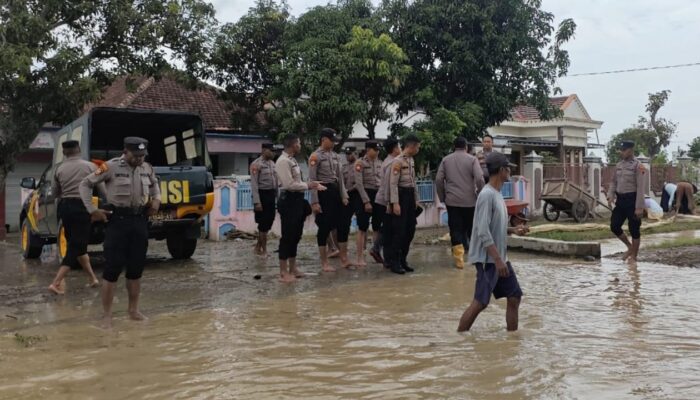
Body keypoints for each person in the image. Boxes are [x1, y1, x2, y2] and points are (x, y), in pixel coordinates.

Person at [79, 137, 161, 329]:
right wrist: (92, 209)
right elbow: (85, 184)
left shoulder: (147, 167)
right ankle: (107, 316)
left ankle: (133, 311)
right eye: (136, 155)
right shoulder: (110, 167)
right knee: (112, 269)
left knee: (136, 269)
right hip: (117, 221)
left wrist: (156, 200)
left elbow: (155, 185)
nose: (139, 159)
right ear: (126, 151)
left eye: (142, 156)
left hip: (139, 221)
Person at [457, 152, 528, 332]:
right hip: (488, 259)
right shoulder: (486, 195)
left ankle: (512, 338)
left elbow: (493, 227)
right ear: (502, 170)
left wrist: (513, 230)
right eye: (508, 169)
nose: (510, 172)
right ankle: (459, 338)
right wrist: (497, 260)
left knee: (514, 296)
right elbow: (482, 231)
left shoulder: (497, 194)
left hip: (499, 258)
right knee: (480, 302)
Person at [47, 140, 102, 295]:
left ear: (64, 153)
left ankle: (92, 279)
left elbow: (54, 193)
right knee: (76, 246)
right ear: (79, 150)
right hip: (83, 206)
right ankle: (56, 283)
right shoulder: (91, 166)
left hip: (65, 207)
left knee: (77, 245)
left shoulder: (58, 169)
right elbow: (101, 188)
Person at [275, 134, 326, 283]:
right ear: (293, 145)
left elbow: (298, 181)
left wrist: (312, 184)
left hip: (297, 200)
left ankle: (293, 268)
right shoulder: (283, 161)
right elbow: (289, 184)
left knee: (296, 236)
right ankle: (283, 272)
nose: (300, 145)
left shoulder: (292, 160)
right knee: (288, 236)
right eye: (298, 143)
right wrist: (309, 185)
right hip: (288, 200)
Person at [435, 136, 485, 269]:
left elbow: (439, 180)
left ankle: (459, 261)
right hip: (470, 202)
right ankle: (475, 258)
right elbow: (480, 179)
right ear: (466, 147)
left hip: (452, 202)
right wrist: (480, 195)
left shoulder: (446, 160)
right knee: (471, 230)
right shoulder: (472, 159)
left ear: (454, 147)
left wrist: (443, 197)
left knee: (455, 229)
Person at [309, 128, 351, 272]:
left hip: (335, 193)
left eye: (334, 141)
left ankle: (344, 258)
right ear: (323, 139)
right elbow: (312, 180)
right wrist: (315, 202)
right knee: (324, 227)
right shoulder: (315, 156)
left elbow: (339, 179)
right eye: (331, 140)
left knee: (343, 225)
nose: (333, 143)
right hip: (323, 192)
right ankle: (324, 262)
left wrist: (344, 195)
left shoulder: (336, 156)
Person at [387, 134, 422, 275]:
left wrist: (416, 200)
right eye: (418, 147)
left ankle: (403, 260)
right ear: (411, 146)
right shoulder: (397, 161)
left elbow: (413, 182)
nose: (418, 149)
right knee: (399, 232)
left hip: (409, 197)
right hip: (400, 197)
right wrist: (395, 203)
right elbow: (393, 184)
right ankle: (394, 262)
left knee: (410, 230)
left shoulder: (411, 160)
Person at [607, 140, 646, 263]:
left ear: (630, 150)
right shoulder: (619, 165)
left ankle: (634, 256)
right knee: (614, 225)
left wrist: (639, 207)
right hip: (621, 200)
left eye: (624, 150)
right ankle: (629, 247)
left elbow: (641, 187)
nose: (621, 152)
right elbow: (613, 182)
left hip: (632, 200)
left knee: (634, 229)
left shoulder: (638, 166)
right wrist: (610, 195)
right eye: (621, 150)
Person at [354, 140, 383, 267]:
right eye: (375, 149)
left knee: (377, 226)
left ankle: (376, 253)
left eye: (378, 150)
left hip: (378, 195)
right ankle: (360, 257)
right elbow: (359, 184)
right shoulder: (360, 163)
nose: (377, 152)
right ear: (368, 149)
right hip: (365, 195)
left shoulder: (380, 163)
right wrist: (366, 201)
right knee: (362, 228)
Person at [250, 143, 279, 257]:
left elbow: (276, 183)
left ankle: (258, 247)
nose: (273, 153)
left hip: (271, 195)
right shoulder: (256, 164)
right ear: (264, 150)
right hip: (262, 195)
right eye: (270, 151)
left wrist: (277, 197)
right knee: (263, 224)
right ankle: (264, 250)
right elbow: (254, 184)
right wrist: (257, 202)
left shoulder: (272, 164)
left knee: (268, 222)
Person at [339, 146, 362, 265]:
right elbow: (341, 182)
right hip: (347, 196)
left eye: (350, 154)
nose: (348, 156)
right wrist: (344, 194)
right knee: (344, 224)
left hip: (358, 195)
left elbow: (360, 182)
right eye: (346, 154)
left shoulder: (360, 165)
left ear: (356, 153)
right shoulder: (343, 167)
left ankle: (362, 250)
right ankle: (343, 251)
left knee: (362, 223)